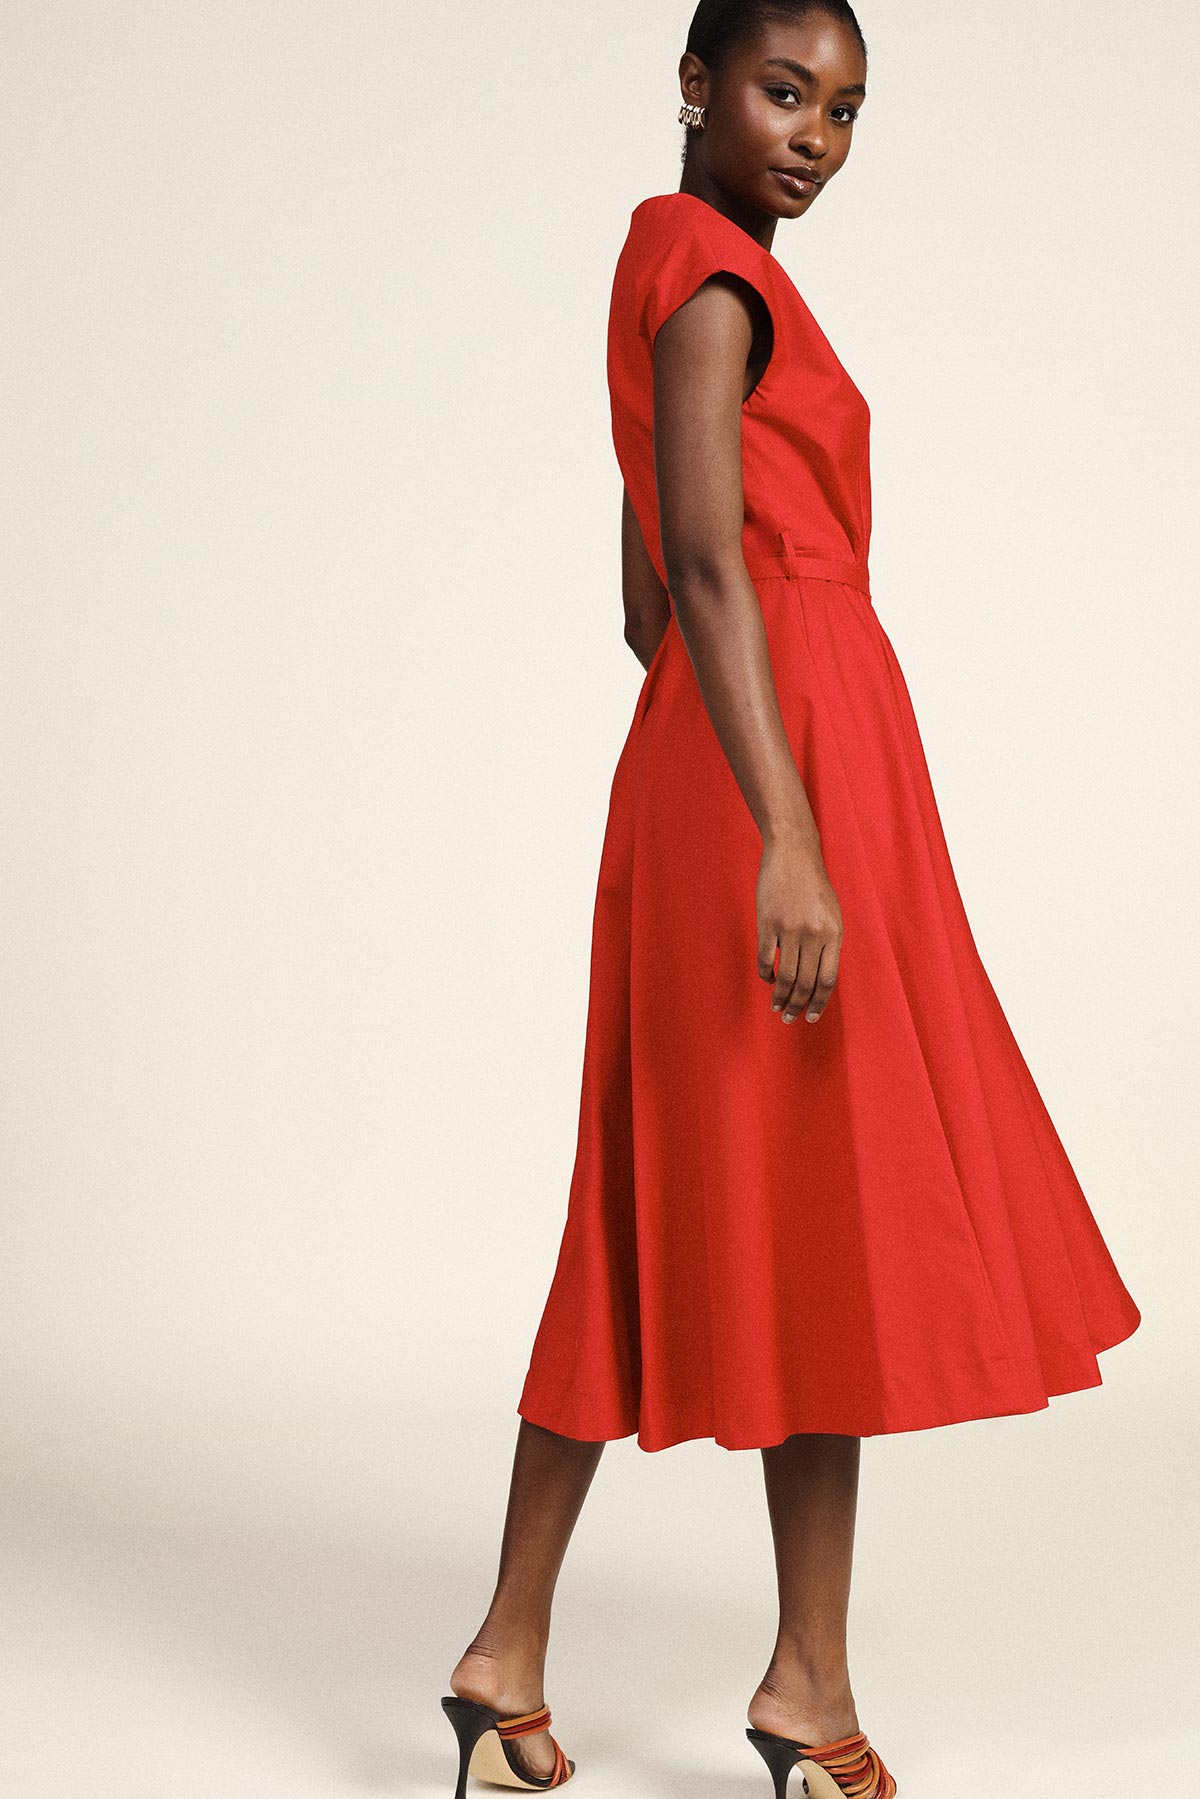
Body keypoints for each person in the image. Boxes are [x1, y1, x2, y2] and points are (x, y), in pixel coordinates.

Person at [440, 3, 1142, 1794]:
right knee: (803, 1204)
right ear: (694, 87)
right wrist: (788, 830)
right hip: (787, 782)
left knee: (701, 1205)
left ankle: (537, 1658)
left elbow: (648, 607)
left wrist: (739, 767)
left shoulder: (679, 273)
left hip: (749, 757)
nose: (816, 134)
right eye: (782, 91)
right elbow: (695, 562)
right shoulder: (711, 276)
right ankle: (796, 1686)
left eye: (844, 108)